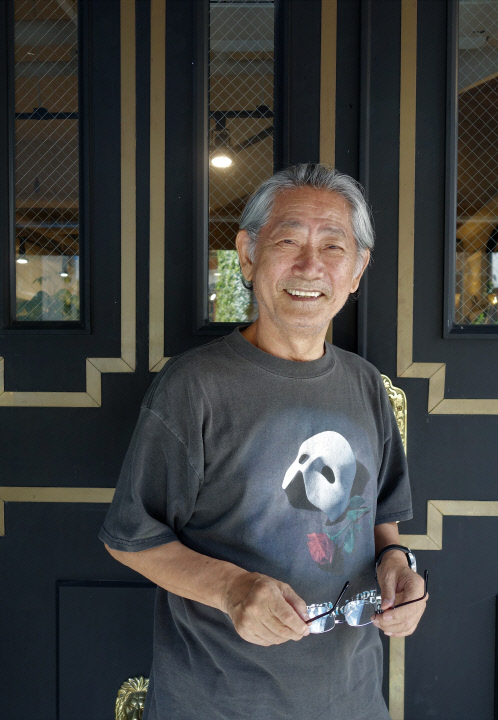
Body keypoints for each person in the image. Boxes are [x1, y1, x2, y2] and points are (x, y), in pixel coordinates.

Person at [100, 163, 427, 720]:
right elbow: (131, 538)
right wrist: (232, 589)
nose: (310, 266)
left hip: (351, 700)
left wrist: (397, 564)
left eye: (333, 246)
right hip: (218, 701)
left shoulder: (366, 385)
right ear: (248, 256)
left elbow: (380, 519)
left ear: (357, 271)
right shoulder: (194, 386)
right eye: (287, 241)